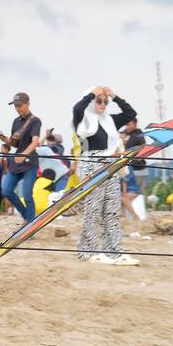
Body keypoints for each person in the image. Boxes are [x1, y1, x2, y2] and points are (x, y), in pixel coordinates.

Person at [72, 85, 138, 265]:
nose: (102, 104)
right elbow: (77, 108)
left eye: (105, 101)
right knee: (93, 211)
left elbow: (130, 113)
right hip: (91, 165)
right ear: (91, 100)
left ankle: (114, 252)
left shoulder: (110, 120)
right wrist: (92, 93)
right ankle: (89, 251)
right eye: (98, 100)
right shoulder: (82, 119)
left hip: (110, 165)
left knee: (111, 211)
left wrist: (115, 96)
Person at [0, 92, 41, 222]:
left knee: (27, 196)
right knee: (6, 190)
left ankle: (29, 225)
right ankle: (28, 217)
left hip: (30, 163)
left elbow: (35, 141)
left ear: (27, 104)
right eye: (15, 106)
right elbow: (15, 144)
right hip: (16, 163)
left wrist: (23, 154)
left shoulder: (35, 121)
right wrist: (6, 140)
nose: (17, 108)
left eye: (20, 105)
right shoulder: (15, 121)